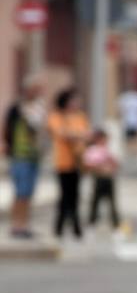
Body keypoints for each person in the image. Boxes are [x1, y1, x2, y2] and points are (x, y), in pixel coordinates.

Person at [3, 77, 45, 239]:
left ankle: (25, 224)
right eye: (35, 89)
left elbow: (40, 130)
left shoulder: (38, 108)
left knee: (28, 193)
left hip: (33, 155)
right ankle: (16, 224)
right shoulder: (17, 107)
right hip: (19, 155)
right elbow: (6, 127)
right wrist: (5, 145)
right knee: (20, 192)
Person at [47, 89, 90, 240]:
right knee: (64, 195)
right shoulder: (56, 116)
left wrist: (75, 135)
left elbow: (86, 134)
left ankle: (76, 226)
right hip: (63, 162)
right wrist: (76, 135)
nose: (76, 104)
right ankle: (59, 226)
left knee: (75, 195)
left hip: (78, 161)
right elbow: (61, 133)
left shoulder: (80, 116)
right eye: (73, 100)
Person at [82, 129, 122, 232]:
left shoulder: (109, 149)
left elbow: (116, 165)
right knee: (95, 203)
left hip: (108, 178)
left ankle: (115, 225)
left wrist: (110, 161)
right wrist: (99, 165)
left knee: (112, 203)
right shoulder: (92, 150)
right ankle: (92, 223)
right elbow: (88, 166)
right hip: (98, 178)